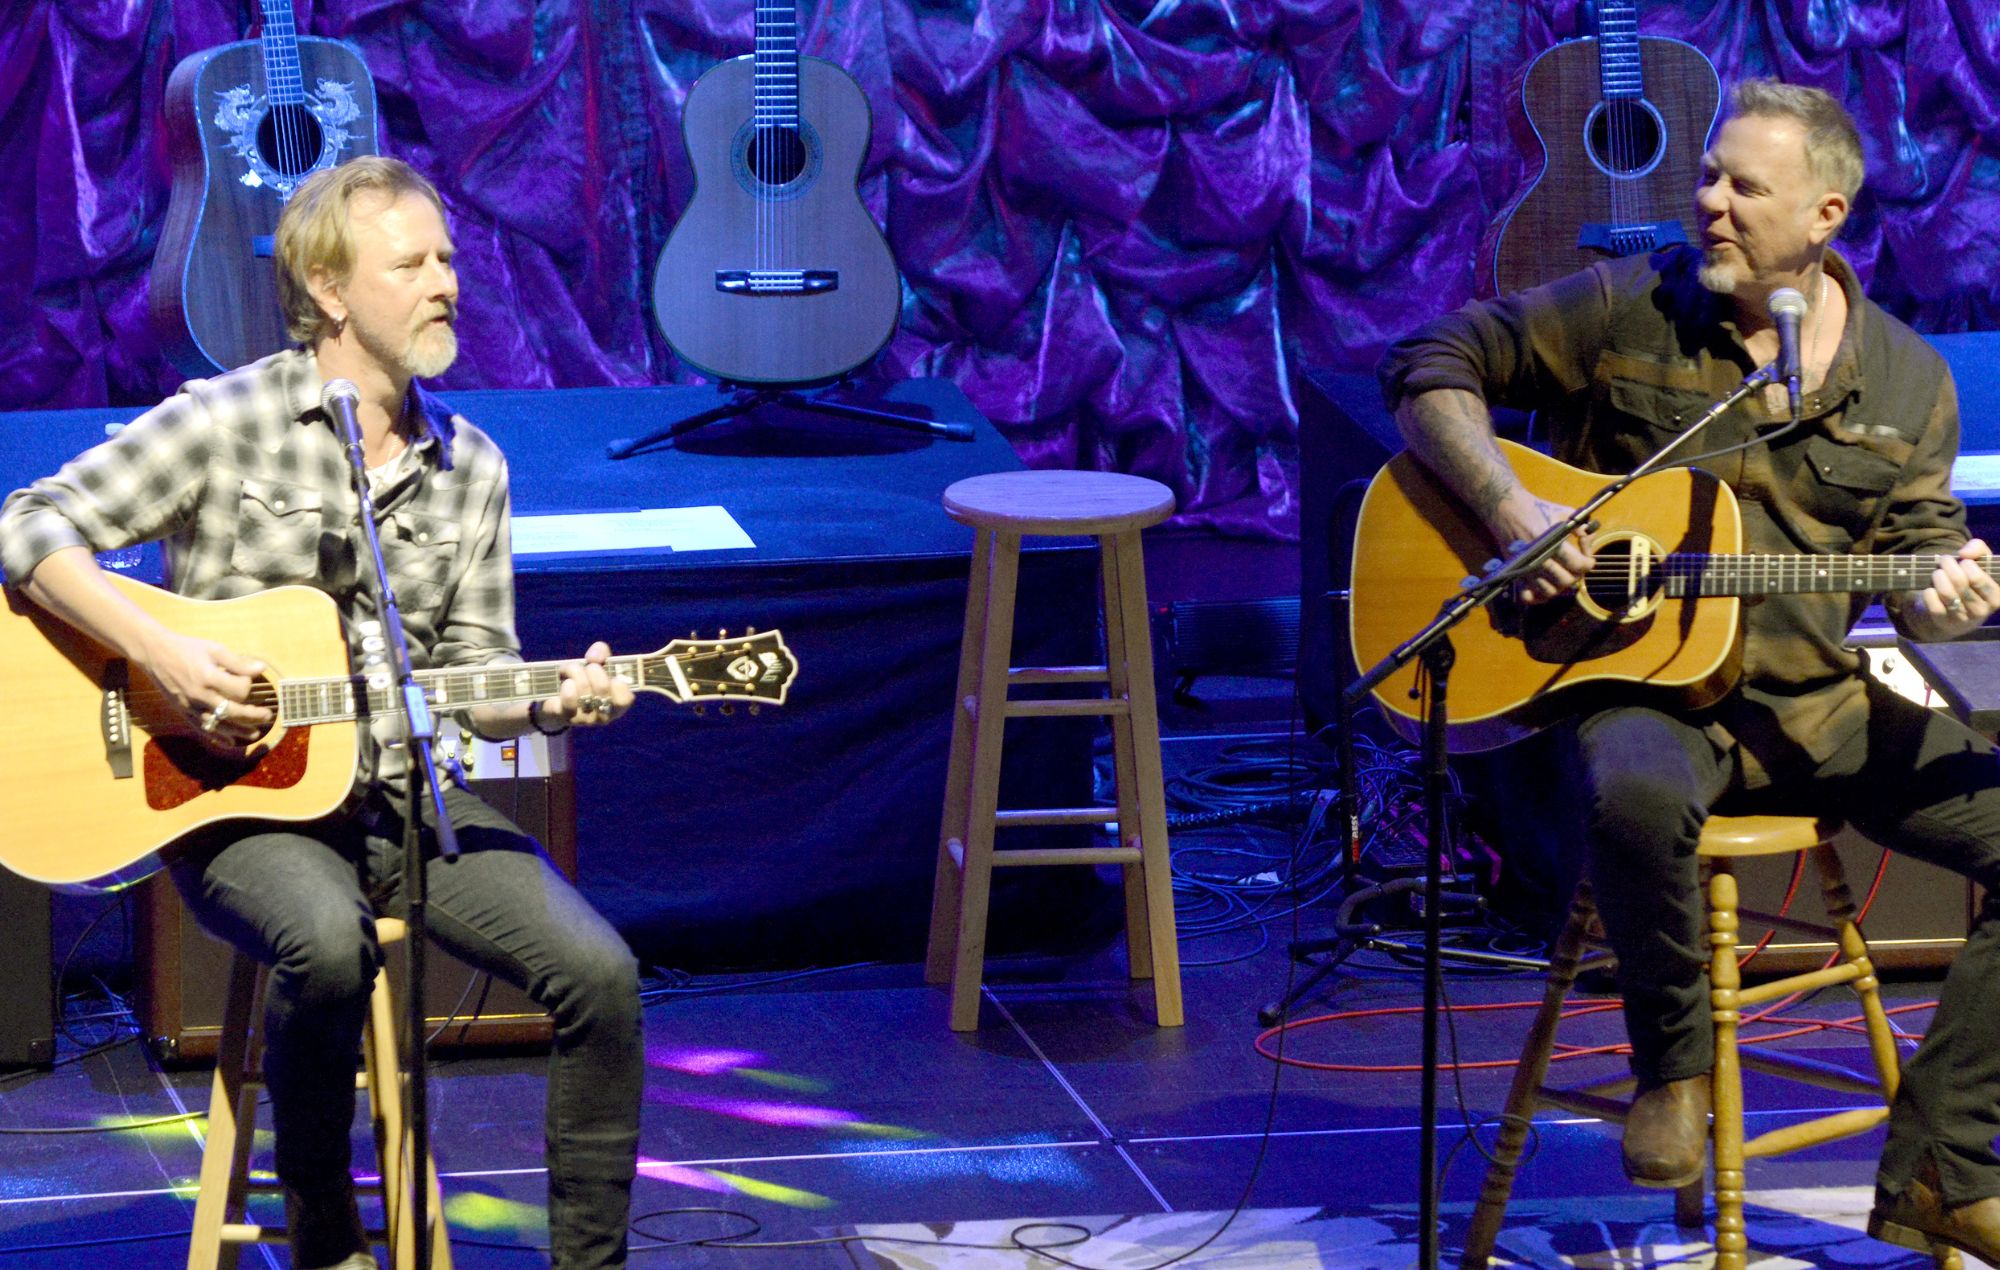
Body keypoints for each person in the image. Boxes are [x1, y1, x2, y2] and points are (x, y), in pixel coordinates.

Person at [1378, 79, 2000, 1260]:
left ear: (1823, 216)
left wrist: (1937, 599)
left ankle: (1940, 1161)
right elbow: (1429, 359)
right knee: (1632, 789)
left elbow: (1920, 564)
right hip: (1639, 687)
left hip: (1807, 706)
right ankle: (1672, 1065)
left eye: (1739, 188)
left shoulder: (1907, 378)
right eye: (1705, 176)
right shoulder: (1630, 303)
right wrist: (1517, 515)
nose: (1705, 204)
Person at [0, 156, 643, 1269]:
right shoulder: (224, 420)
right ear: (332, 290)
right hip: (228, 806)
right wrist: (165, 651)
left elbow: (479, 676)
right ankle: (322, 1225)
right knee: (328, 946)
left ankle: (592, 1261)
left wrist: (550, 696)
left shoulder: (473, 466)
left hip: (401, 804)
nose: (447, 282)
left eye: (448, 258)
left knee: (603, 975)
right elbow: (25, 526)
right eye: (413, 263)